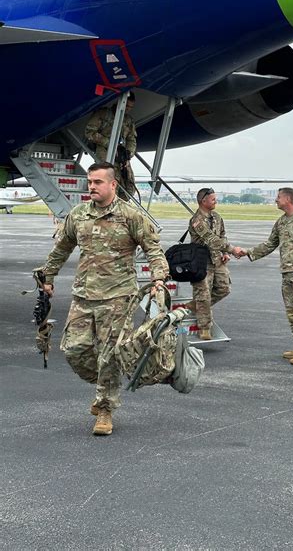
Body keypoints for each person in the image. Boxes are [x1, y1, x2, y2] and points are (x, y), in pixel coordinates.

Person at [37, 162, 169, 436]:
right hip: (84, 295)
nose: (92, 186)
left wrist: (158, 279)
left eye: (98, 182)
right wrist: (48, 277)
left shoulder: (131, 216)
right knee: (74, 350)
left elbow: (153, 249)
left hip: (118, 297)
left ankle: (105, 408)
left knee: (109, 356)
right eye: (90, 181)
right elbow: (62, 247)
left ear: (113, 185)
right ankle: (107, 384)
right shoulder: (79, 215)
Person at [235, 188, 293, 366]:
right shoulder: (281, 222)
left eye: (279, 197)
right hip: (287, 273)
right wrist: (247, 252)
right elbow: (270, 243)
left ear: (288, 199)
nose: (276, 200)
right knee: (291, 313)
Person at [188, 188, 238, 340]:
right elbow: (212, 239)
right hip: (202, 262)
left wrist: (225, 253)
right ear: (203, 201)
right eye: (213, 199)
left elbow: (222, 235)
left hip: (218, 260)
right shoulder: (197, 220)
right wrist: (232, 249)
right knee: (203, 295)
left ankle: (195, 305)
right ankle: (204, 328)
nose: (216, 201)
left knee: (224, 289)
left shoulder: (216, 217)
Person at [85, 91, 137, 199]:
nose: (127, 109)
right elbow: (89, 132)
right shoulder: (103, 114)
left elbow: (131, 139)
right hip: (105, 151)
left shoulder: (128, 120)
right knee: (111, 179)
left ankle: (121, 205)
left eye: (130, 107)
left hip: (121, 154)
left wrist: (128, 153)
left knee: (129, 183)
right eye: (126, 105)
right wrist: (109, 143)